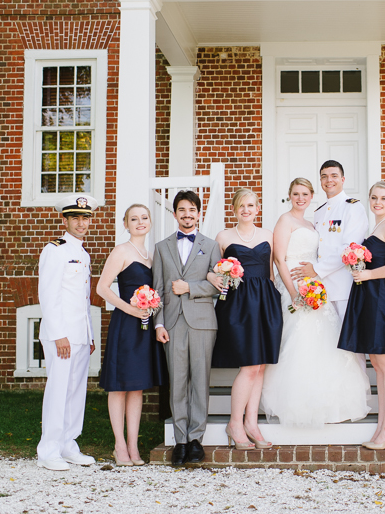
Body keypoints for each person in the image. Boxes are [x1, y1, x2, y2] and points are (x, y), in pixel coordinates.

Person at [261, 178, 370, 427]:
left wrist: (313, 284)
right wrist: (293, 293)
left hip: (314, 284)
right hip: (292, 284)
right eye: (296, 193)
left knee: (324, 342)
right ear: (290, 195)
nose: (301, 198)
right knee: (296, 339)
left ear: (312, 196)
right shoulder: (285, 220)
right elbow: (279, 260)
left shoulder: (312, 223)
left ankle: (328, 403)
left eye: (305, 194)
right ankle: (292, 403)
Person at [337, 181, 385, 449]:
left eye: (383, 198)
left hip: (384, 298)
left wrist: (368, 273)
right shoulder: (377, 226)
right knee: (379, 366)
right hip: (372, 298)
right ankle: (383, 426)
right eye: (374, 197)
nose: (378, 202)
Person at [152, 190, 222, 466]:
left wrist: (190, 288)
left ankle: (196, 438)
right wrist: (158, 323)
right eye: (182, 210)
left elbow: (220, 286)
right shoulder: (161, 247)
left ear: (198, 213)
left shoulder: (211, 245)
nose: (187, 214)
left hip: (203, 321)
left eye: (192, 209)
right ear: (175, 214)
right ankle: (180, 439)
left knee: (200, 380)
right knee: (178, 381)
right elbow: (157, 288)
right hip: (172, 322)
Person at [210, 188, 282, 450]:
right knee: (249, 366)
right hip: (238, 304)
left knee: (261, 365)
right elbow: (210, 271)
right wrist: (212, 278)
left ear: (258, 208)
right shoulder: (223, 237)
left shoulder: (268, 236)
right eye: (241, 206)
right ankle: (235, 424)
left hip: (265, 301)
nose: (246, 210)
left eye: (251, 205)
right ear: (234, 208)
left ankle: (251, 423)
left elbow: (272, 272)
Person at [97, 204, 168, 466]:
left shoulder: (151, 255)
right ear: (125, 224)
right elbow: (102, 288)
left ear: (150, 222)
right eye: (134, 219)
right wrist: (131, 309)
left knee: (137, 387)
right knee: (119, 386)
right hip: (126, 325)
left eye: (144, 218)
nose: (140, 222)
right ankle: (119, 446)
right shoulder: (122, 251)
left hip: (145, 327)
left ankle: (133, 447)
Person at [36, 195, 99, 471]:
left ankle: (67, 444)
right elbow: (48, 296)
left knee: (75, 391)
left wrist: (90, 335)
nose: (81, 222)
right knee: (59, 390)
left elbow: (82, 299)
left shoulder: (83, 253)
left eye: (85, 217)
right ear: (65, 220)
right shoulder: (55, 250)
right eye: (75, 217)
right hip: (60, 334)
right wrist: (59, 333)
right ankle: (48, 449)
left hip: (80, 335)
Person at [290, 160, 369, 322]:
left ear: (343, 179)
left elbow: (349, 248)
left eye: (334, 176)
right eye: (324, 177)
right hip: (319, 287)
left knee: (343, 338)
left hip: (343, 287)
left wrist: (317, 269)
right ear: (320, 181)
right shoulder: (319, 212)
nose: (329, 180)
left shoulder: (353, 207)